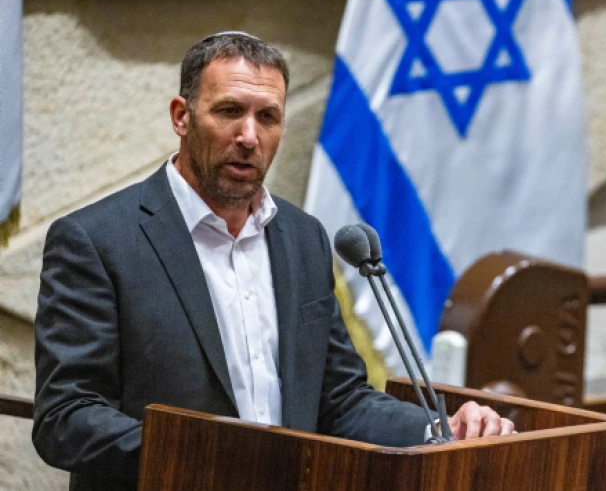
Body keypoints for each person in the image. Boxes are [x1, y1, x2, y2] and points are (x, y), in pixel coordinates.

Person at [33, 32, 513, 491]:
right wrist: (206, 461)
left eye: (267, 117)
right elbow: (66, 415)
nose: (248, 135)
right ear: (182, 116)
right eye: (229, 112)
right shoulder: (97, 241)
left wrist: (441, 430)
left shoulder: (302, 238)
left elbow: (340, 401)